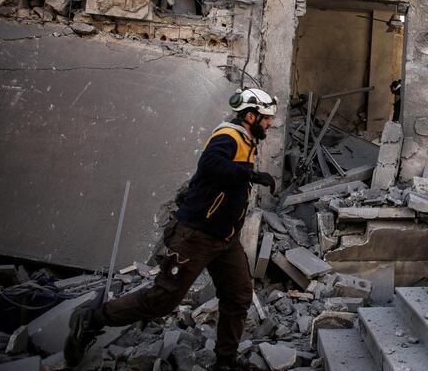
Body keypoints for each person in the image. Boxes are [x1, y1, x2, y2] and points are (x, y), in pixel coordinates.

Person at [64, 88, 278, 370]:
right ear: (250, 116)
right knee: (162, 301)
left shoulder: (247, 140)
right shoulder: (228, 136)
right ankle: (93, 319)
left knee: (238, 296)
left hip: (226, 240)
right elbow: (211, 166)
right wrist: (250, 175)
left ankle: (225, 363)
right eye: (265, 119)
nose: (269, 124)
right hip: (197, 237)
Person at [390, 79, 428, 158]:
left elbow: (396, 119)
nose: (396, 97)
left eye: (396, 94)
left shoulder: (405, 96)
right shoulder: (408, 93)